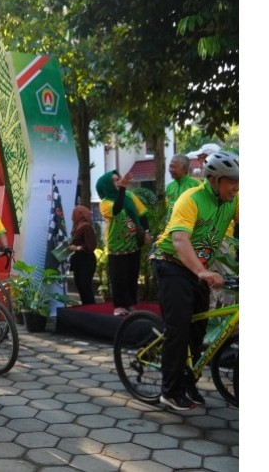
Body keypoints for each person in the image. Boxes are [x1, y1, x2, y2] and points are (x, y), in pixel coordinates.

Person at [150, 151, 238, 411]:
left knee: (198, 332)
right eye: (231, 181)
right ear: (213, 180)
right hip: (171, 263)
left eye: (239, 181)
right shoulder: (191, 199)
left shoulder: (233, 200)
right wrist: (201, 271)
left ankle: (188, 382)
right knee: (179, 328)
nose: (236, 187)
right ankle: (170, 391)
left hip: (199, 268)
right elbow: (179, 240)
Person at [97, 169, 153, 316]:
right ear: (106, 185)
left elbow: (142, 214)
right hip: (117, 246)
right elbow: (117, 208)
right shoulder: (105, 203)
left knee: (132, 275)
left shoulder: (130, 195)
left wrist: (147, 232)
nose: (118, 182)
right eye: (114, 180)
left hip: (133, 243)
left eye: (118, 179)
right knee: (118, 277)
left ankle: (130, 304)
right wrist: (122, 188)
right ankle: (119, 306)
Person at [67, 204, 98, 306]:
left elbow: (91, 245)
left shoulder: (86, 227)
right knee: (80, 285)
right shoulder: (77, 227)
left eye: (74, 213)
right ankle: (85, 307)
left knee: (85, 286)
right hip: (79, 261)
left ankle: (90, 308)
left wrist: (77, 248)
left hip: (86, 261)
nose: (72, 216)